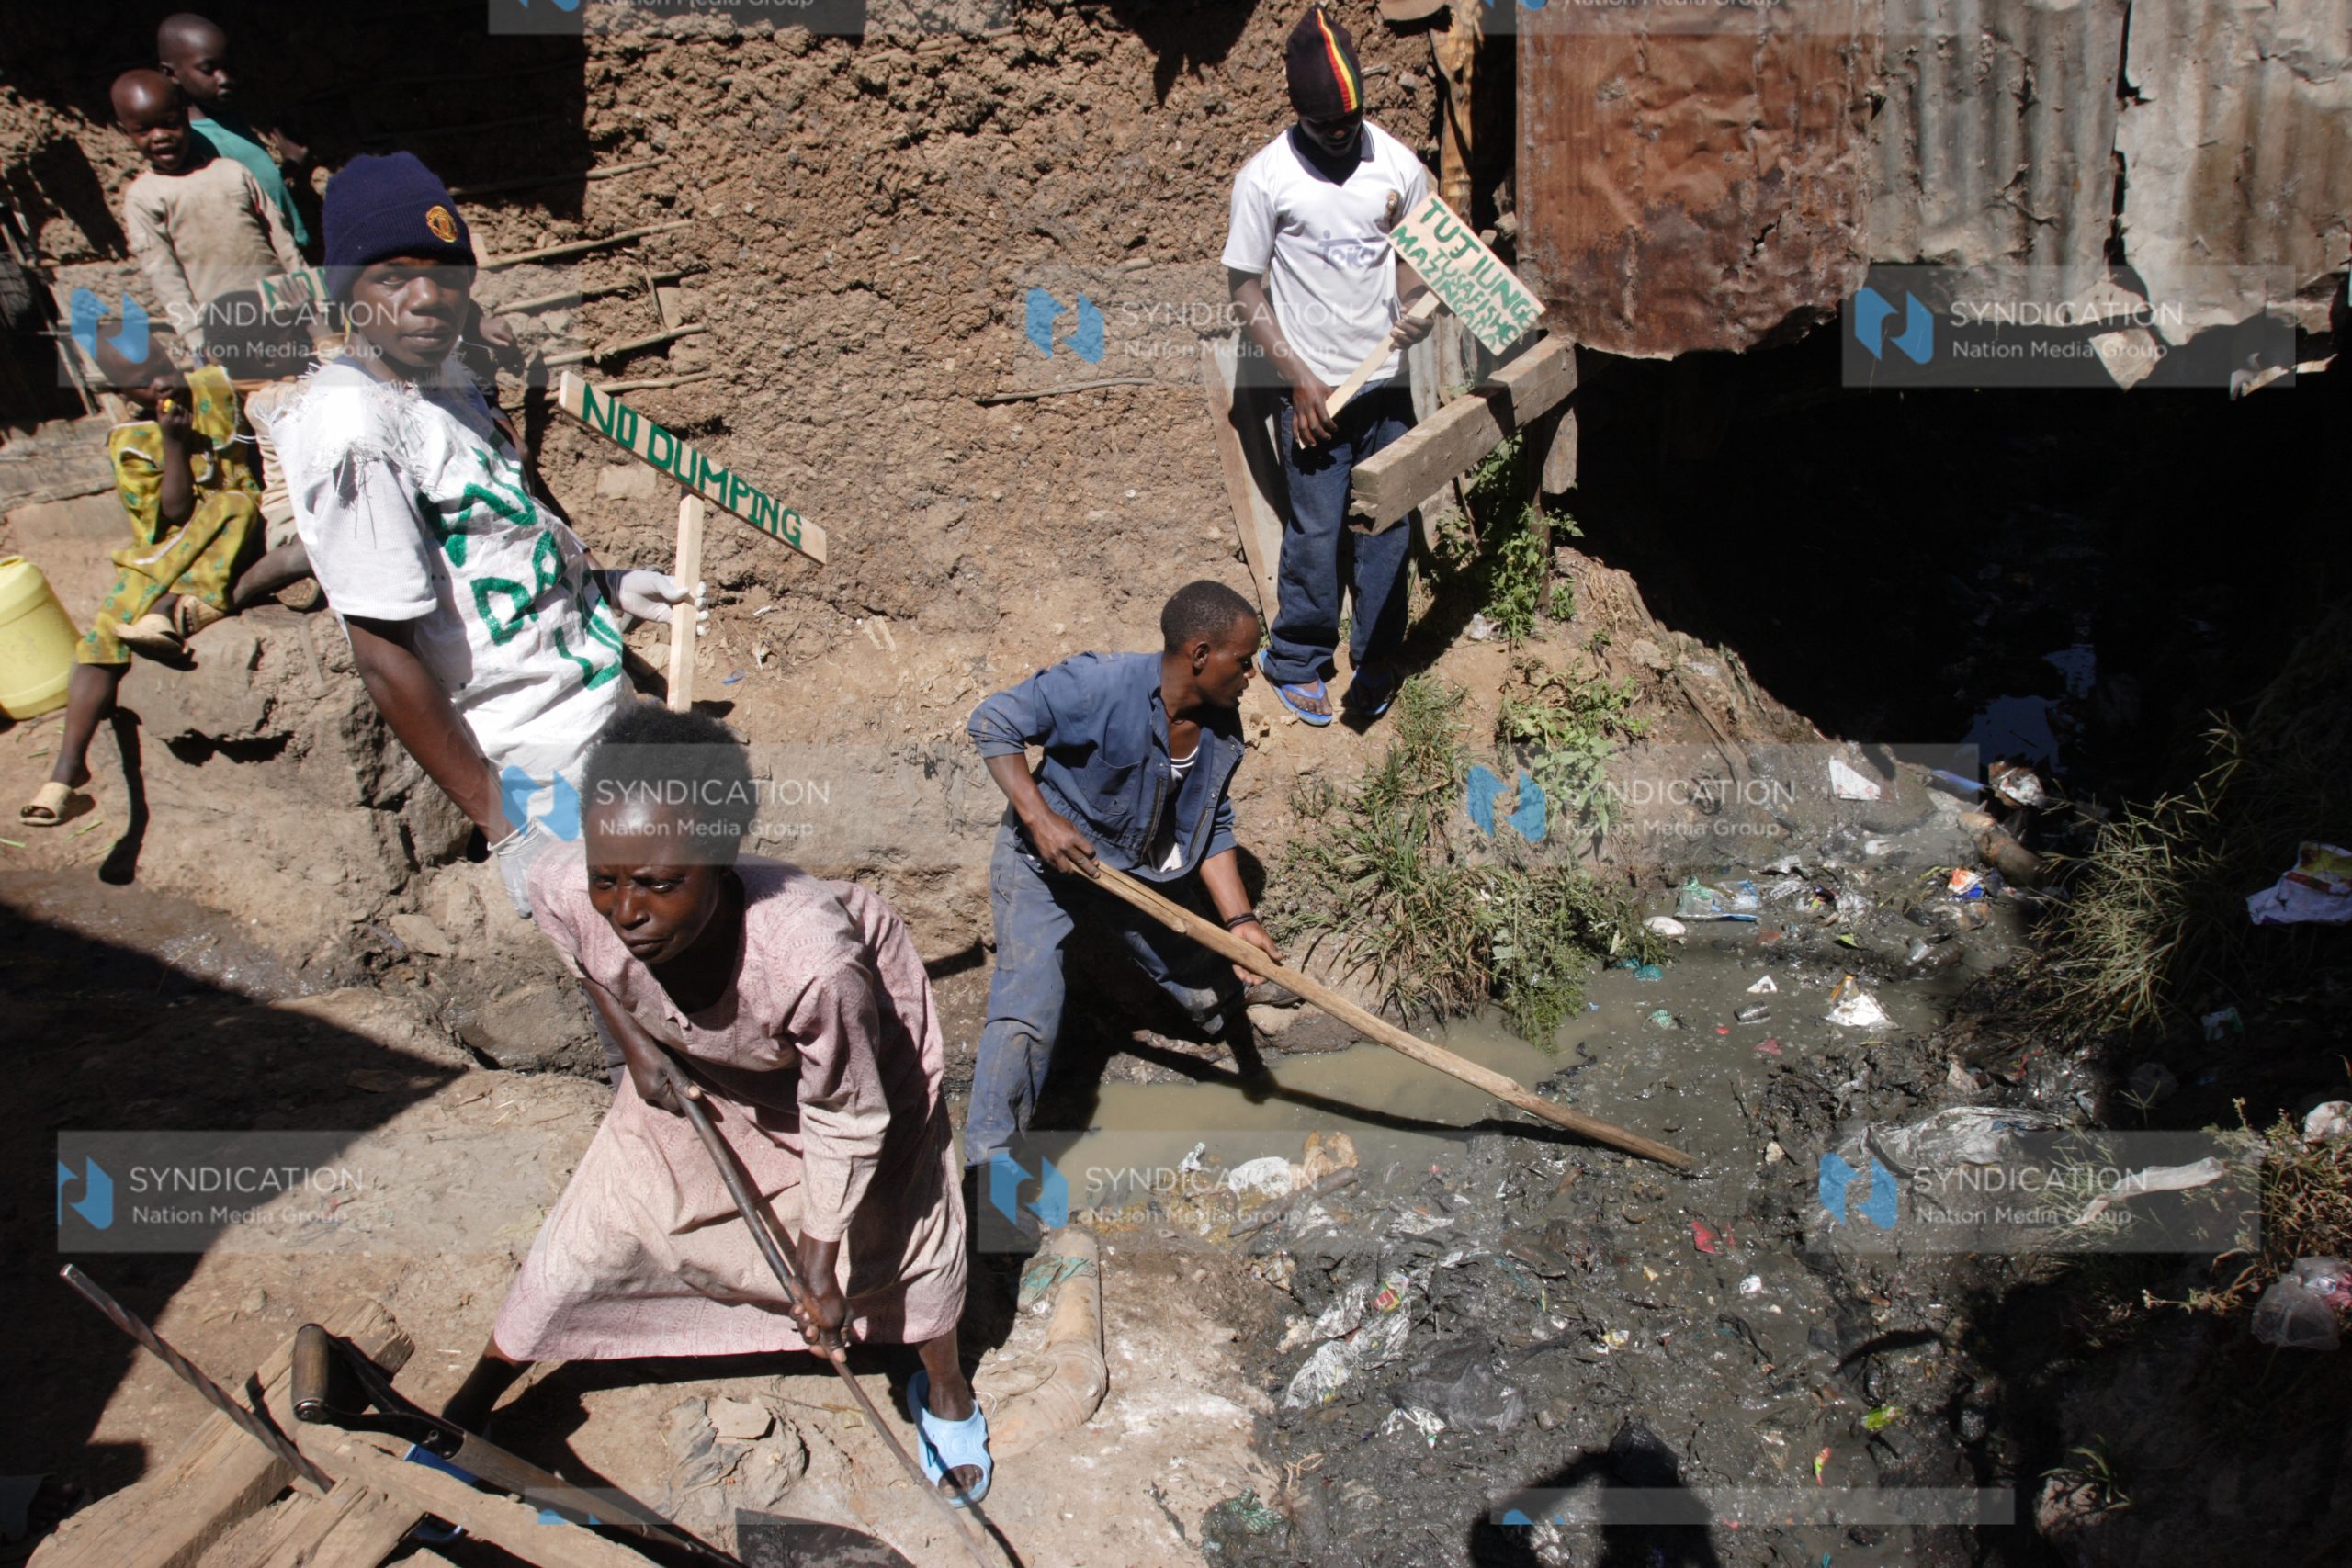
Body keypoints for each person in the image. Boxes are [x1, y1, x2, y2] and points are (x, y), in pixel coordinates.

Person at [440, 704, 989, 1507]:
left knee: (899, 1234)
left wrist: (817, 1258)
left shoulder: (810, 961)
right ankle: (473, 1400)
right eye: (609, 877)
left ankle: (946, 1388)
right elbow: (578, 943)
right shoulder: (570, 884)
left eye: (661, 884)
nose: (627, 912)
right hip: (705, 1066)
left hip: (856, 1074)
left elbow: (845, 1110)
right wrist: (636, 1043)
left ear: (722, 860)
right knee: (592, 1229)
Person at [258, 152, 699, 919]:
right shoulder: (352, 428)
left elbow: (493, 543)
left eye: (447, 272)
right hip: (537, 763)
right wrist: (505, 826)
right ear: (346, 294)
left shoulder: (445, 381)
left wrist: (605, 590)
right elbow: (385, 656)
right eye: (392, 277)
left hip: (601, 717)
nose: (428, 298)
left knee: (683, 950)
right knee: (639, 964)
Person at [963, 580, 1298, 1170]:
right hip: (1042, 865)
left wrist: (1240, 920)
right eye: (1243, 662)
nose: (1253, 675)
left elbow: (1210, 821)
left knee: (1190, 963)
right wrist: (1040, 820)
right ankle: (990, 1173)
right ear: (1199, 654)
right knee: (1028, 1018)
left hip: (1130, 871)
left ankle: (1222, 1024)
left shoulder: (1222, 728)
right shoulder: (1099, 686)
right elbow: (993, 722)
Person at [1224, 5, 1439, 728]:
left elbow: (1414, 253)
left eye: (1351, 124)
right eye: (1326, 129)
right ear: (1300, 114)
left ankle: (1377, 655)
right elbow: (1244, 287)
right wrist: (1296, 378)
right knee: (1315, 532)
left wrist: (1414, 300)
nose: (1343, 138)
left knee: (1388, 528)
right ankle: (1298, 657)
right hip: (1315, 393)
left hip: (1386, 388)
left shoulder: (1398, 166)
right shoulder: (1267, 180)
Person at [17, 329, 310, 827]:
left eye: (160, 368)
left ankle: (171, 614)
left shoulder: (213, 389)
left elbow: (272, 381)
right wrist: (173, 443)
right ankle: (67, 771)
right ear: (121, 395)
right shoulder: (130, 443)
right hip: (173, 551)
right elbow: (171, 515)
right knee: (104, 632)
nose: (159, 385)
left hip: (241, 534)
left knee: (234, 503)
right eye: (140, 383)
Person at [112, 70, 318, 379]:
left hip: (284, 317)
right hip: (224, 334)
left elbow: (280, 238)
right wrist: (197, 338)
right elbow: (164, 275)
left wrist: (307, 296)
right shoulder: (145, 197)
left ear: (184, 115)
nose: (160, 136)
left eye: (169, 123)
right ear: (124, 131)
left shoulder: (231, 172)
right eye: (143, 130)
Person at [156, 12, 313, 254]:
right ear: (171, 74)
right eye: (208, 69)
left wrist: (292, 168)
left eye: (228, 67)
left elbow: (257, 189)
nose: (225, 79)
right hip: (264, 264)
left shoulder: (233, 121)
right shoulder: (192, 143)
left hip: (293, 253)